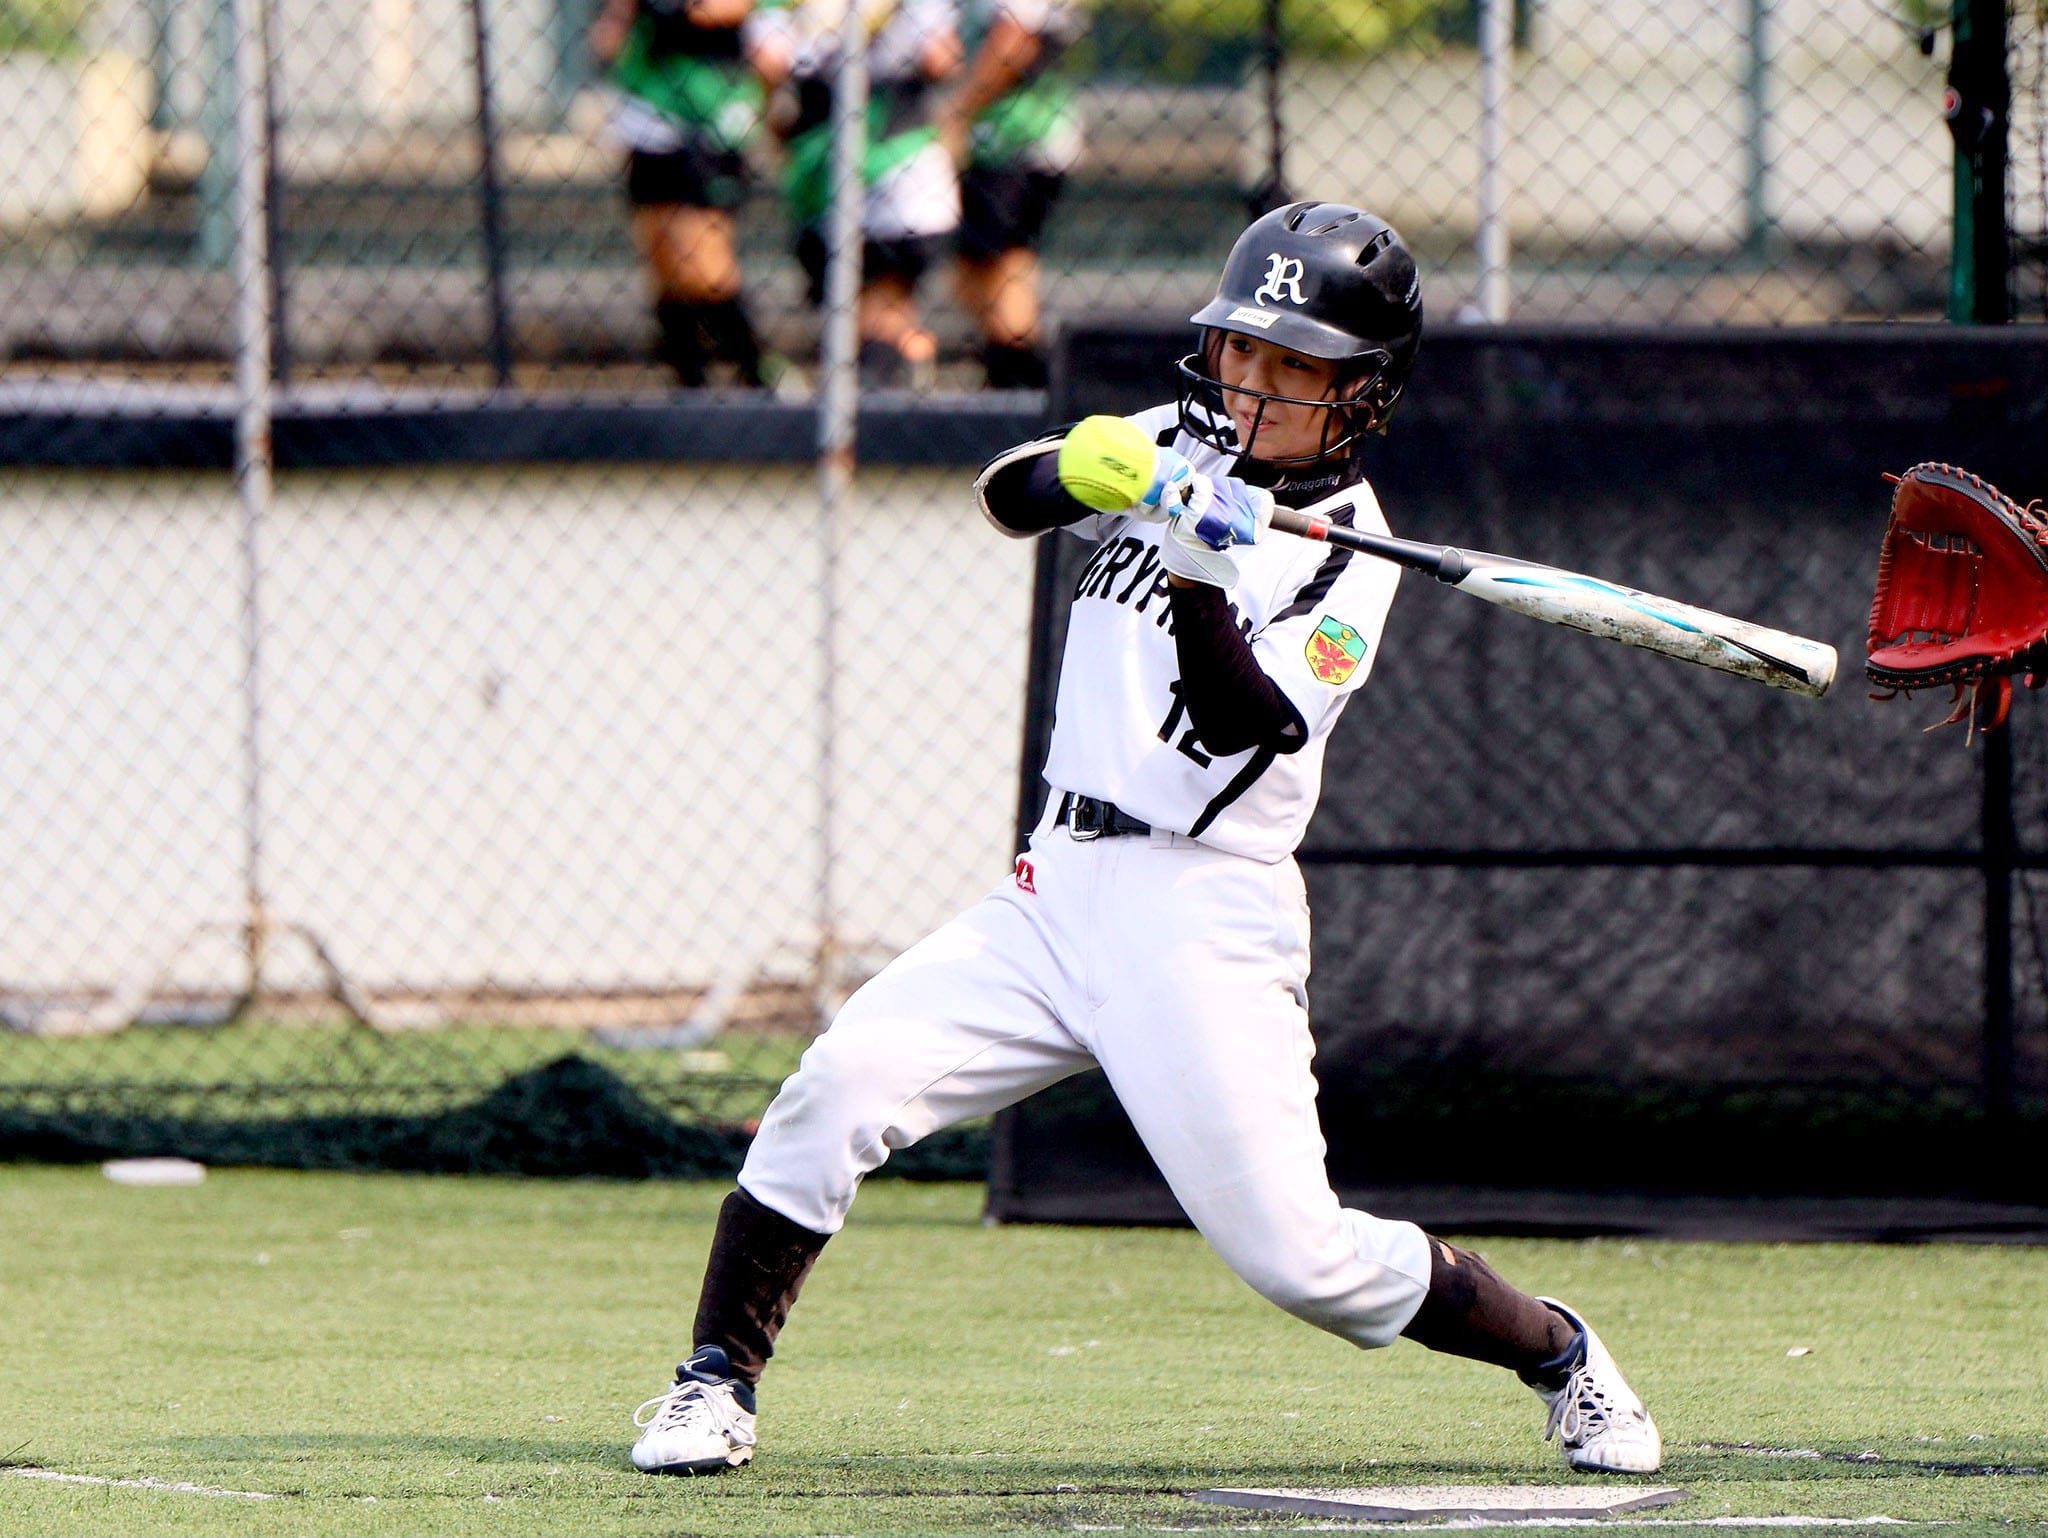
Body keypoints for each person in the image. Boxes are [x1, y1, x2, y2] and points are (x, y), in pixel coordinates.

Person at [625, 201, 1664, 1479]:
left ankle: (1557, 1352)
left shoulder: (1356, 558)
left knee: (1306, 1262)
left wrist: (1197, 568)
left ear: (1359, 390)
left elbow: (1245, 726)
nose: (1253, 386)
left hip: (1202, 920)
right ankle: (712, 1381)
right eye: (1241, 351)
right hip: (1052, 888)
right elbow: (1007, 499)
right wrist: (1097, 470)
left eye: (1294, 367)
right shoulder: (1177, 434)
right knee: (836, 1085)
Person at [748, 0, 962, 389]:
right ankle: (900, 363)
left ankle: (885, 383)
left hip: (883, 163)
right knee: (869, 309)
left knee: (875, 305)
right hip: (864, 166)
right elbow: (940, 55)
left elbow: (770, 62)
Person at [590, 0, 776, 388]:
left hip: (708, 117)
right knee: (662, 259)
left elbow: (729, 13)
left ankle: (759, 373)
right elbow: (609, 38)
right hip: (647, 113)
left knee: (703, 263)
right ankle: (690, 382)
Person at [933, 0, 1082, 389]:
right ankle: (1019, 381)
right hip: (997, 143)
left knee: (1004, 273)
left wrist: (958, 109)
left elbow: (1014, 41)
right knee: (971, 275)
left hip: (1018, 139)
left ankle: (1022, 393)